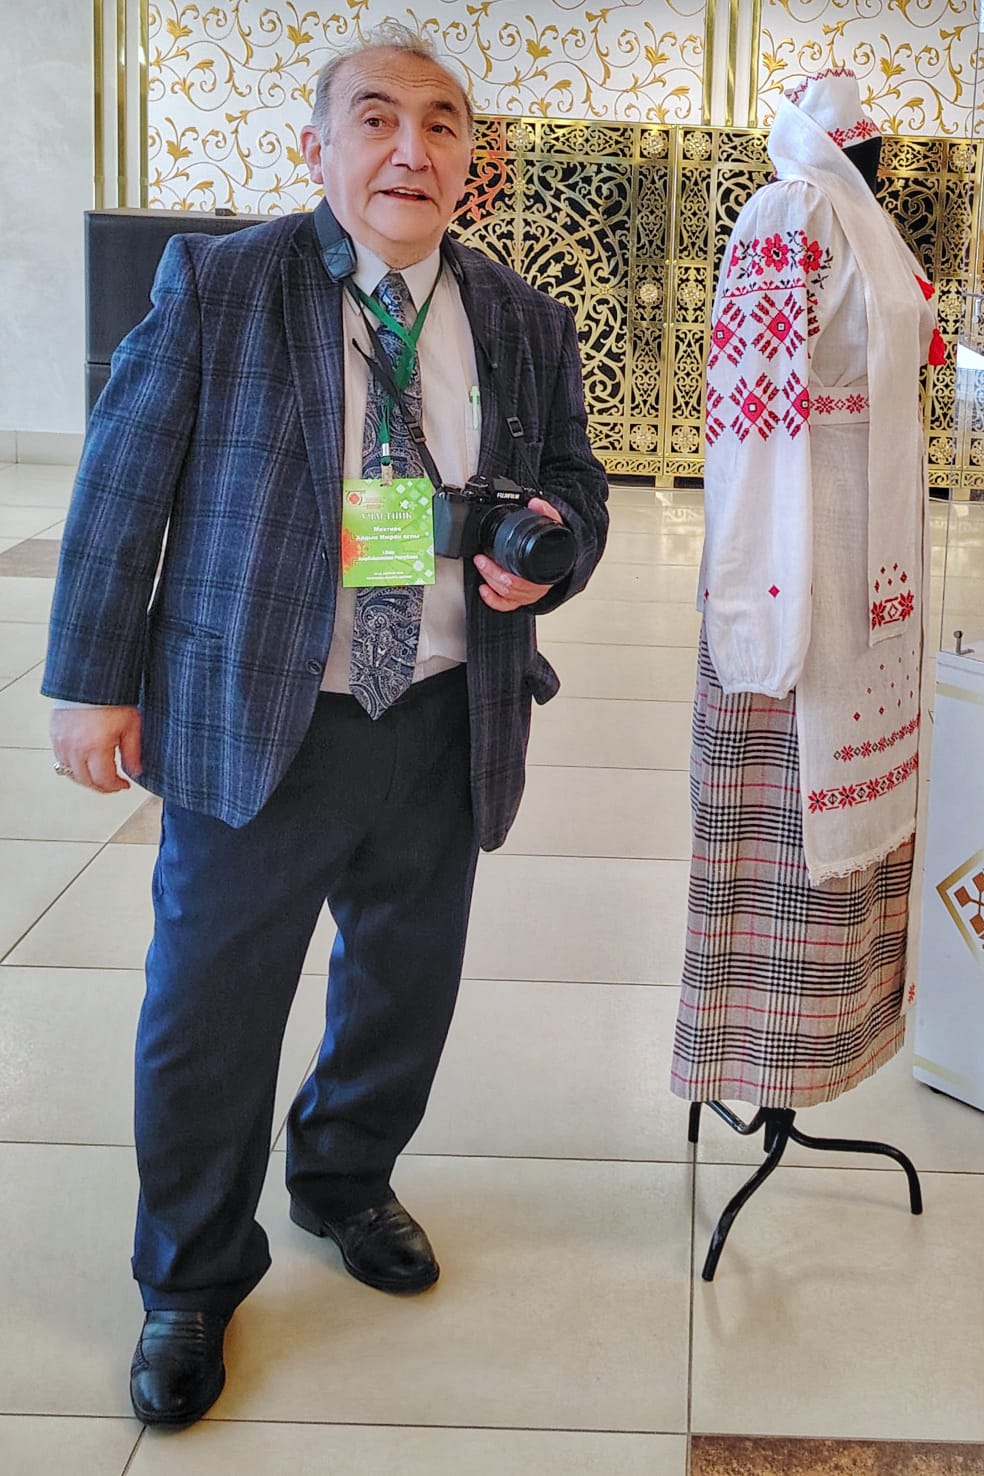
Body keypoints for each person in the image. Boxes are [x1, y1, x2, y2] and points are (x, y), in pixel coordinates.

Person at [43, 22, 608, 1428]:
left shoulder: (523, 318)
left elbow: (578, 485)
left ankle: (346, 1176)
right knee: (212, 1009)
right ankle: (189, 1277)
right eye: (376, 118)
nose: (411, 148)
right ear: (319, 145)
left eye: (441, 124)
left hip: (444, 706)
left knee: (405, 983)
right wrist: (91, 679)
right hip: (260, 708)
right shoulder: (222, 283)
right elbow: (122, 484)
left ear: (471, 163)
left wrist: (554, 549)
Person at [671, 71, 943, 1110]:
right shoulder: (788, 212)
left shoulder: (867, 221)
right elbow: (752, 403)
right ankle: (761, 1047)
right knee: (782, 797)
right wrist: (756, 590)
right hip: (799, 553)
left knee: (869, 795)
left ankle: (845, 1036)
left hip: (878, 545)